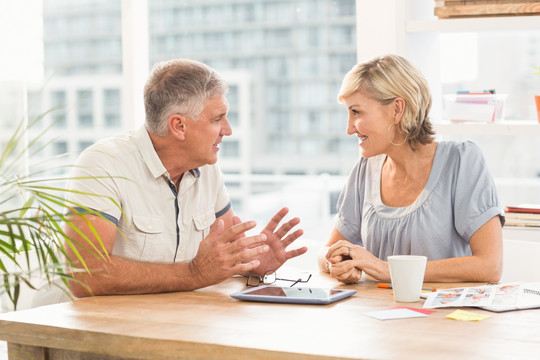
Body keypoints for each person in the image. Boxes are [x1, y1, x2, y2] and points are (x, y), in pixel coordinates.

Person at [63, 58, 307, 298]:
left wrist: (252, 264)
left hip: (175, 323)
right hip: (101, 330)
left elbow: (224, 257)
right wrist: (194, 274)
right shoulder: (102, 165)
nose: (228, 130)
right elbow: (85, 275)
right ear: (179, 126)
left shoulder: (207, 168)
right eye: (217, 119)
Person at [319, 54, 504, 284]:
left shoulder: (461, 161)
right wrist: (336, 263)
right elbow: (326, 251)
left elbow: (490, 266)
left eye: (356, 112)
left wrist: (389, 271)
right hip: (376, 315)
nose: (349, 128)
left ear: (397, 109)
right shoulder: (365, 170)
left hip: (444, 317)